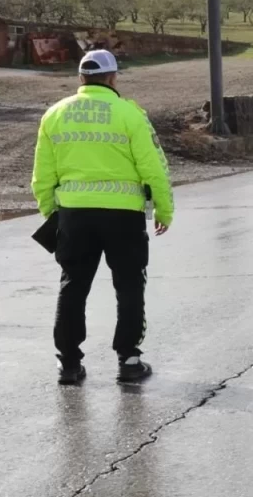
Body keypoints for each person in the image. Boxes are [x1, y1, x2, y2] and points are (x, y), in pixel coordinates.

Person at [31, 49, 175, 385]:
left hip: (74, 215)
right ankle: (129, 360)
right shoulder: (130, 114)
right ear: (112, 78)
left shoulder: (54, 114)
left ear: (81, 78)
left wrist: (51, 212)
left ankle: (69, 364)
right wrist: (164, 209)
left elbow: (42, 175)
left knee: (73, 285)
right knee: (129, 285)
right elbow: (153, 167)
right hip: (124, 216)